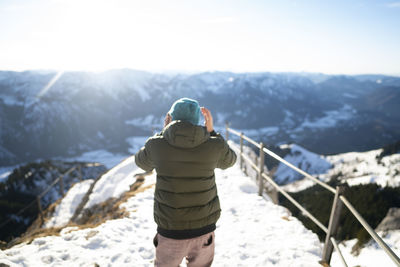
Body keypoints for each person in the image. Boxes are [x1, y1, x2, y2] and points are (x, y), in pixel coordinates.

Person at [135, 97, 237, 267]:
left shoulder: (156, 145)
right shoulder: (213, 145)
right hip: (204, 229)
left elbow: (141, 162)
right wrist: (212, 132)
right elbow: (230, 161)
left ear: (170, 118)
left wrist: (163, 133)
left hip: (170, 229)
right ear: (199, 119)